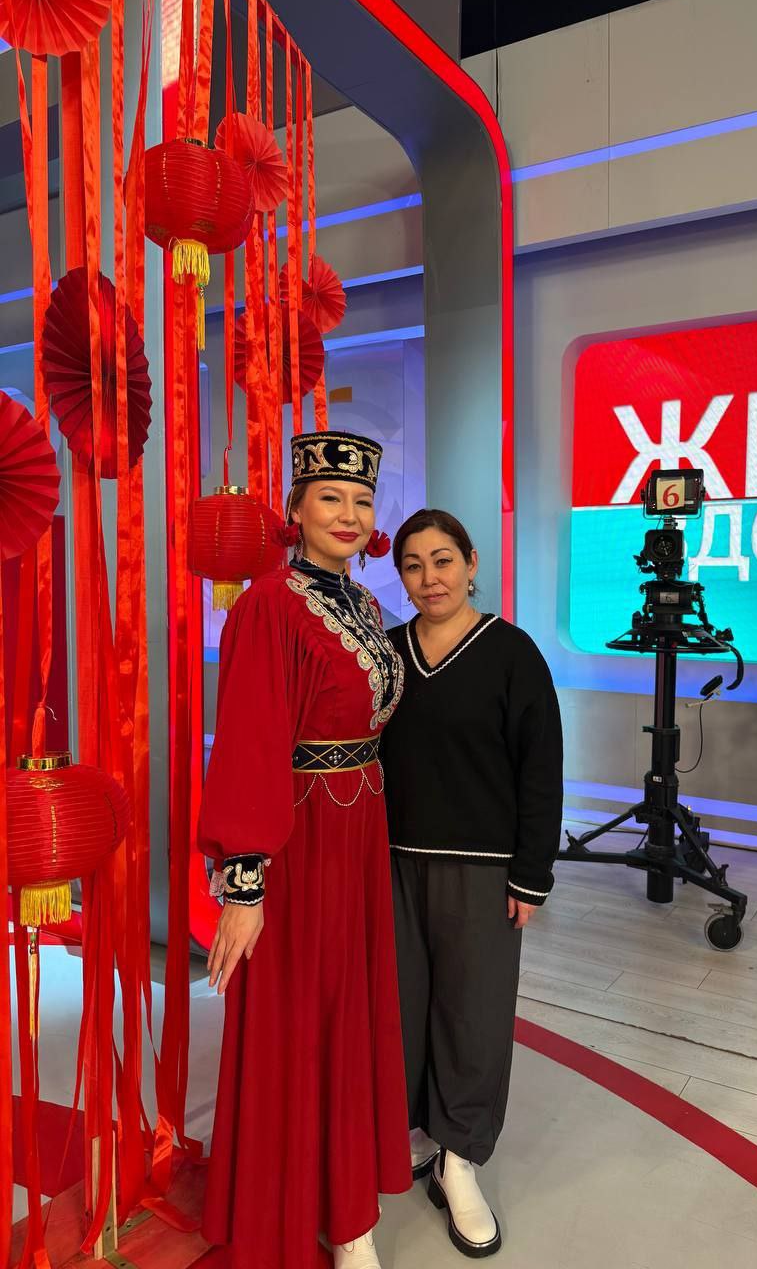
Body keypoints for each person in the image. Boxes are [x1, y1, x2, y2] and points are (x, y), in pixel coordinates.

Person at [198, 430, 410, 1269]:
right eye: (331, 498)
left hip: (359, 827)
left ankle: (344, 1201)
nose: (349, 514)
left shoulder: (365, 605)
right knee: (301, 1015)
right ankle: (304, 1207)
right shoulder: (268, 604)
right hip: (299, 834)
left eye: (362, 501)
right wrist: (245, 886)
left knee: (347, 1009)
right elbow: (249, 742)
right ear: (296, 509)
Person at [378, 508, 563, 1259]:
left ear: (472, 562)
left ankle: (461, 1158)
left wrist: (531, 874)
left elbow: (541, 769)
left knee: (474, 1015)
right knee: (404, 1008)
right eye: (414, 565)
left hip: (482, 869)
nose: (430, 578)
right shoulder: (387, 654)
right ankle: (417, 1132)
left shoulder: (511, 653)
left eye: (443, 560)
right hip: (391, 862)